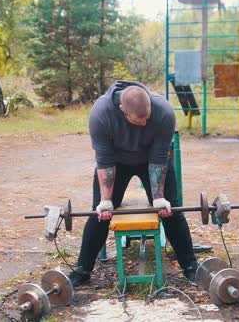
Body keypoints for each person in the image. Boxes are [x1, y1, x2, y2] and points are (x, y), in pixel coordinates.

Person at [69, 80, 199, 287]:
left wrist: (158, 198)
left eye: (148, 119)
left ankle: (191, 266)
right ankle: (83, 269)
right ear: (122, 110)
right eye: (140, 121)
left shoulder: (163, 111)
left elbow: (159, 157)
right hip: (116, 162)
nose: (145, 124)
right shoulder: (101, 114)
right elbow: (105, 160)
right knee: (99, 214)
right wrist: (105, 201)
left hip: (152, 159)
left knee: (171, 209)